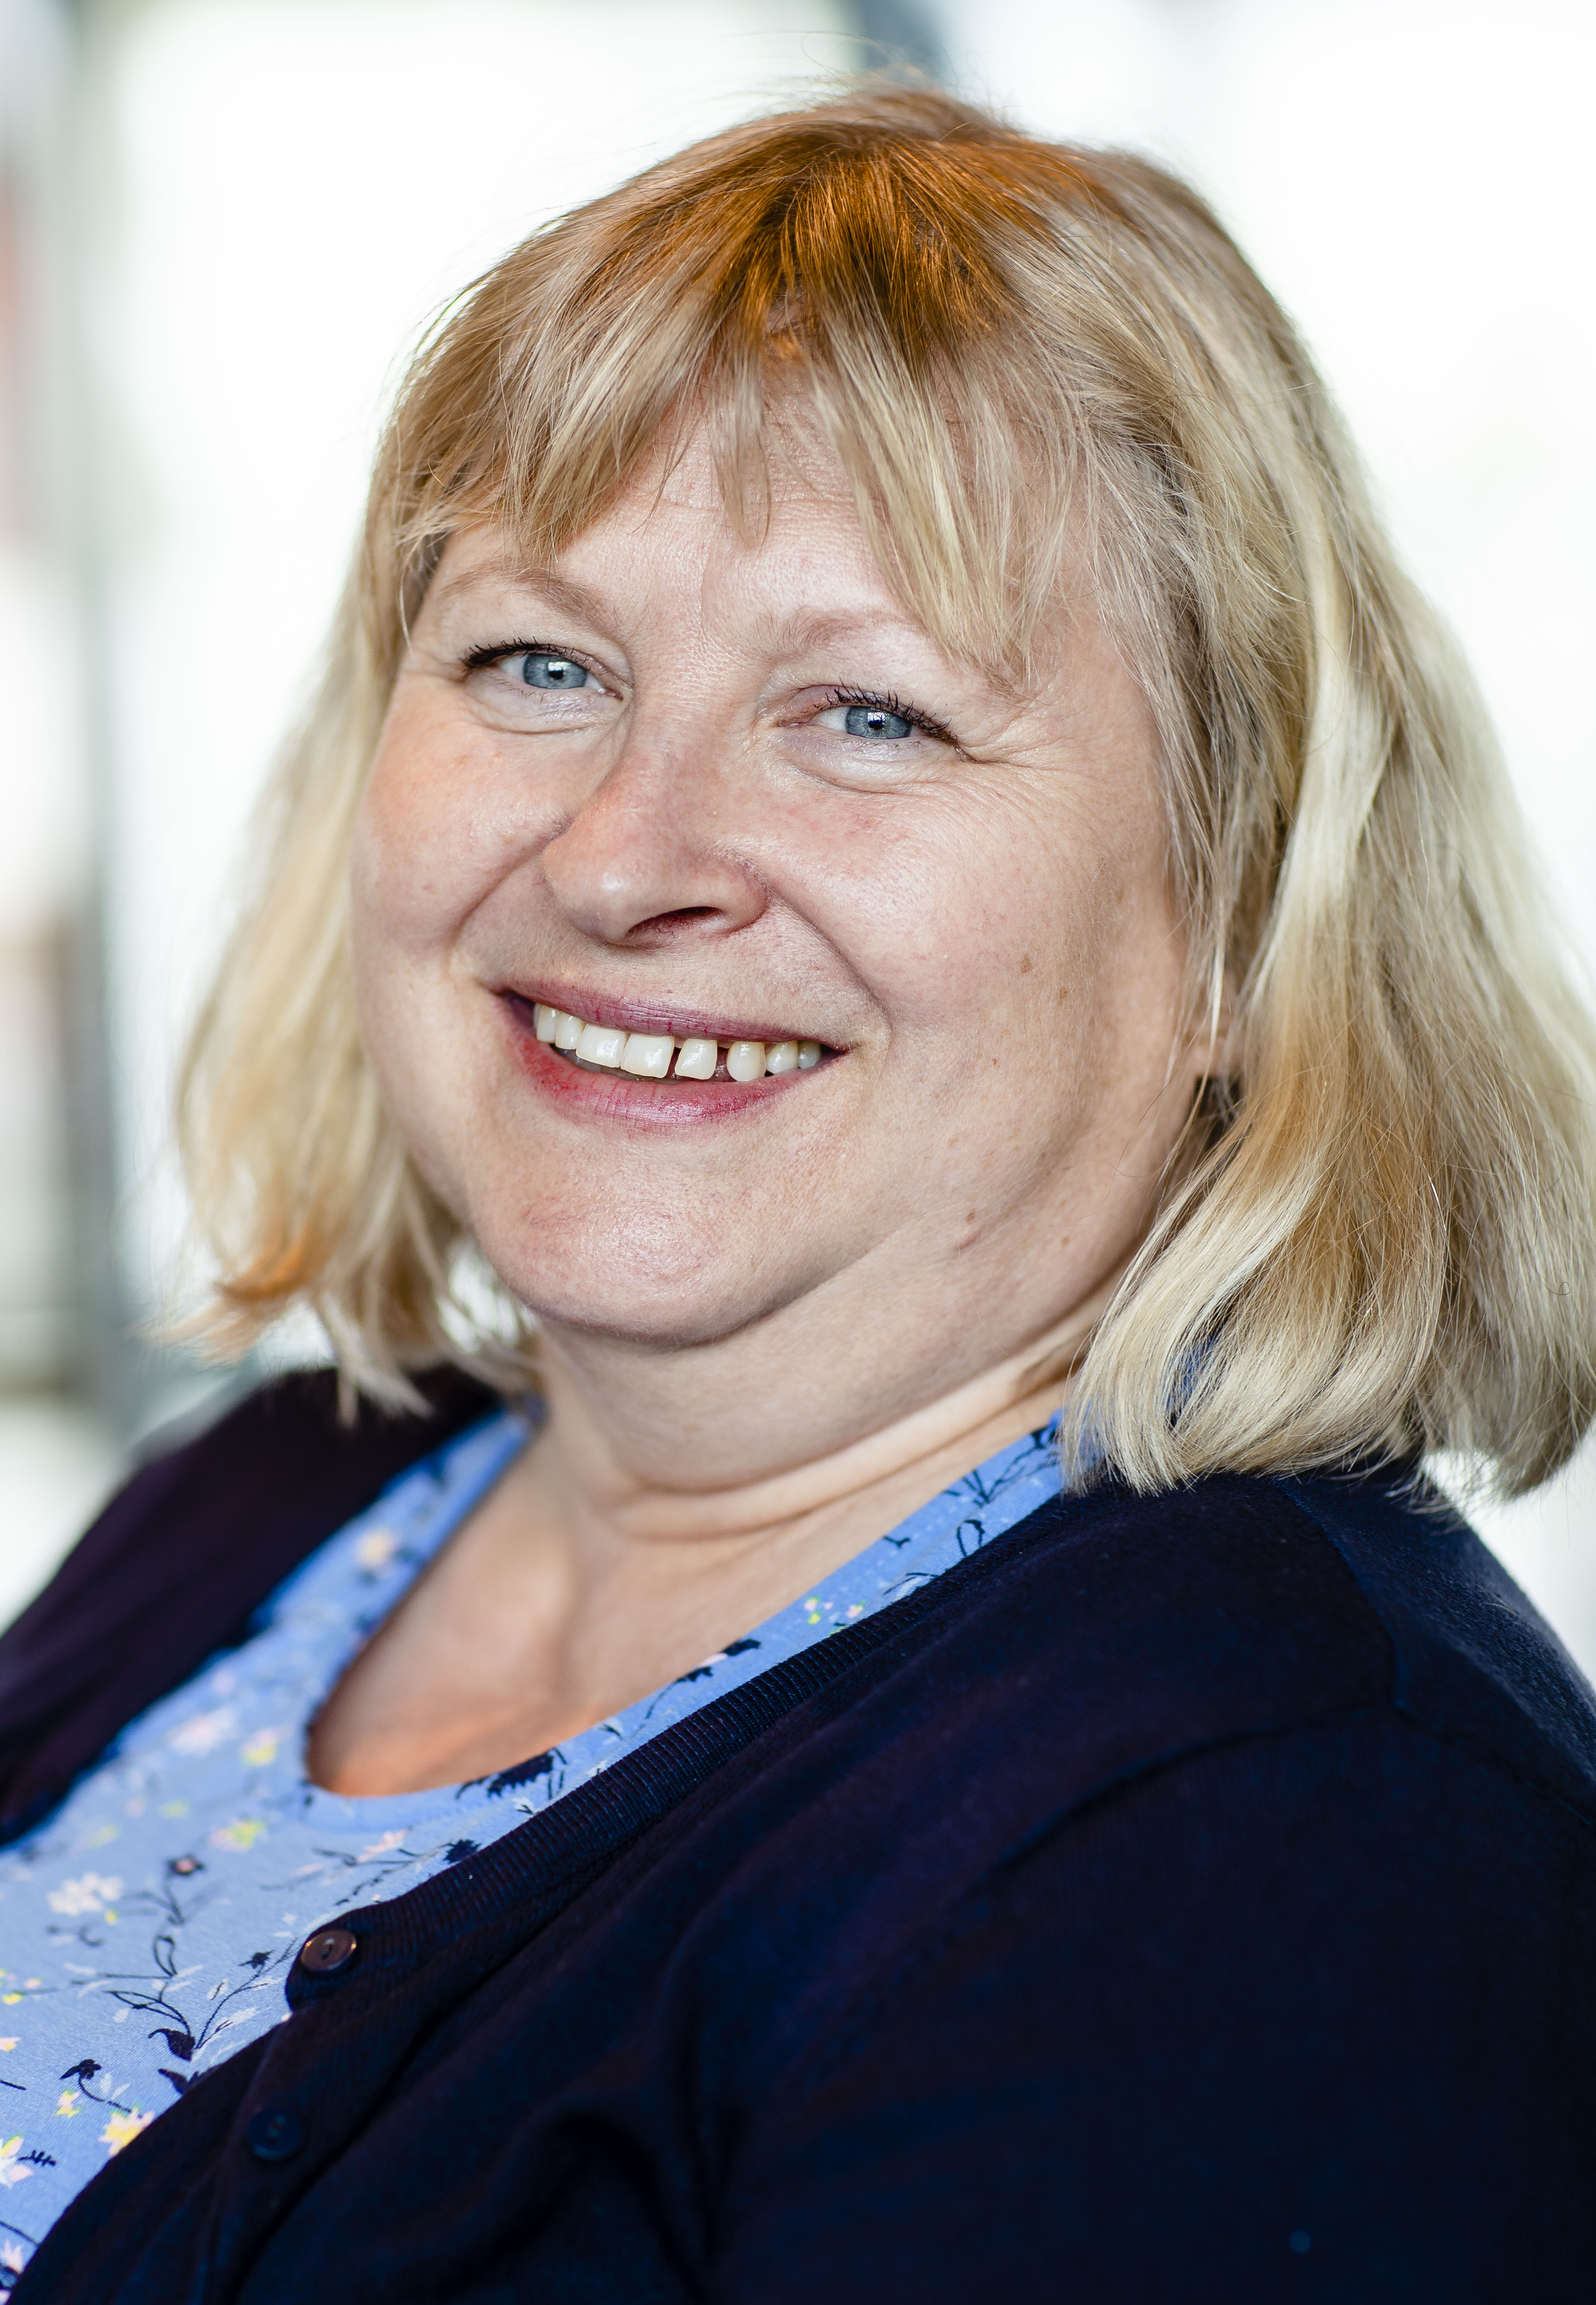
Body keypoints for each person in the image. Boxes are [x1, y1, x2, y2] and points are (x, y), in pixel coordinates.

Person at [3, 82, 1595, 2303]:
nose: (623, 858)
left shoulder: (1290, 1832)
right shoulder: (282, 1492)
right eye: (539, 664)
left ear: (1241, 922)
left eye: (868, 714)